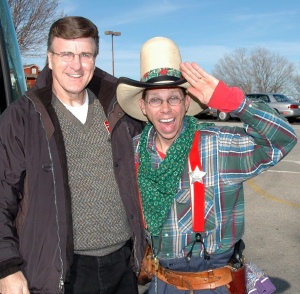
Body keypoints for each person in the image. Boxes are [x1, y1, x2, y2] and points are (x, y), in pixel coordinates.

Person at [116, 36, 297, 293]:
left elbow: (283, 139)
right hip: (160, 281)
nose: (165, 109)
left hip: (215, 284)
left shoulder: (217, 145)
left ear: (187, 102)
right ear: (143, 107)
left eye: (174, 98)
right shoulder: (132, 152)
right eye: (155, 100)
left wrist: (235, 103)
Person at [0, 16, 146, 294]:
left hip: (122, 267)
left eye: (85, 54)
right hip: (62, 272)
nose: (76, 65)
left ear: (94, 58)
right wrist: (7, 267)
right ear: (50, 58)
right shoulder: (21, 118)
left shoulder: (119, 110)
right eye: (66, 53)